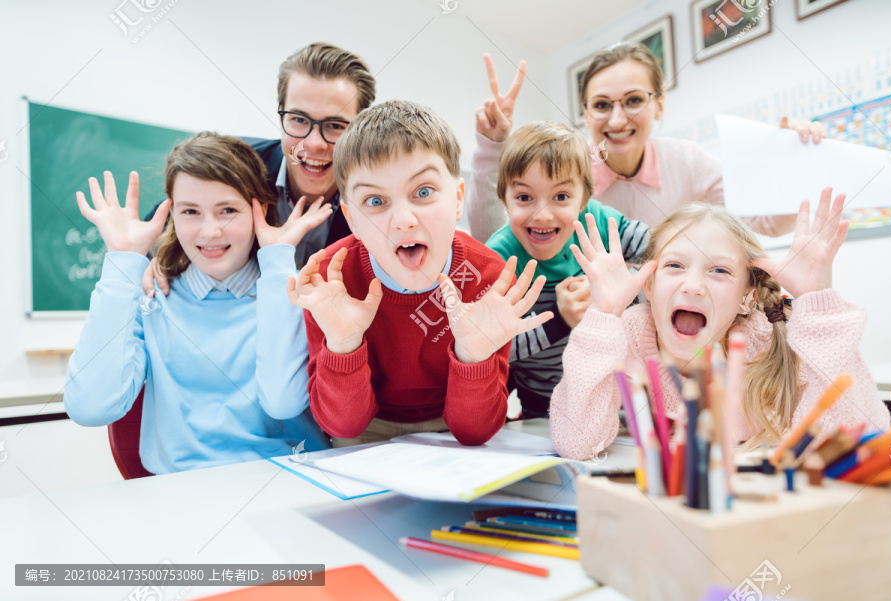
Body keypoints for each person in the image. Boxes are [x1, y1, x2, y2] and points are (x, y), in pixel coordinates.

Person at [549, 188, 890, 459]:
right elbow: (577, 444)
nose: (693, 286)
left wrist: (817, 303)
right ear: (648, 285)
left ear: (748, 298)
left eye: (719, 271)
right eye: (675, 266)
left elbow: (858, 436)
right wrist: (603, 315)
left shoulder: (769, 341)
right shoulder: (627, 336)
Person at [287, 100, 552, 447]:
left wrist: (474, 355)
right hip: (370, 422)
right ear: (352, 220)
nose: (403, 220)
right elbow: (343, 426)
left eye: (423, 192)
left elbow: (475, 432)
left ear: (458, 199)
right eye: (375, 201)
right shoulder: (330, 281)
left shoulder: (489, 277)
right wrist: (343, 344)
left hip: (450, 421)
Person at [64, 133, 332, 474]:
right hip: (180, 494)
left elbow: (282, 402)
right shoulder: (152, 297)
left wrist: (278, 263)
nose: (210, 231)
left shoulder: (295, 288)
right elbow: (89, 408)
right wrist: (121, 262)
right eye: (190, 211)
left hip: (289, 481)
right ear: (171, 213)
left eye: (228, 211)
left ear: (259, 211)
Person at [468, 44, 827, 243]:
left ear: (659, 104)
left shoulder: (688, 162)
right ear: (586, 114)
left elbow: (765, 223)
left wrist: (793, 163)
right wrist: (492, 146)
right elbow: (495, 238)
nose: (618, 119)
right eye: (602, 105)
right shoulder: (568, 171)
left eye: (634, 100)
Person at [143, 42, 376, 294]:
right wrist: (152, 258)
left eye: (335, 125)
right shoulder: (236, 164)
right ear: (281, 118)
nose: (314, 143)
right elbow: (165, 224)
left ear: (359, 129)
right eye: (299, 120)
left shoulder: (377, 192)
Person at [485, 120, 650, 418]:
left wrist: (618, 284)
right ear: (504, 203)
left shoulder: (598, 222)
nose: (543, 214)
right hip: (543, 408)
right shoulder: (498, 260)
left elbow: (662, 253)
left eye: (561, 197)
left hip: (619, 401)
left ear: (584, 200)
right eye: (524, 197)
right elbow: (495, 350)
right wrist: (560, 320)